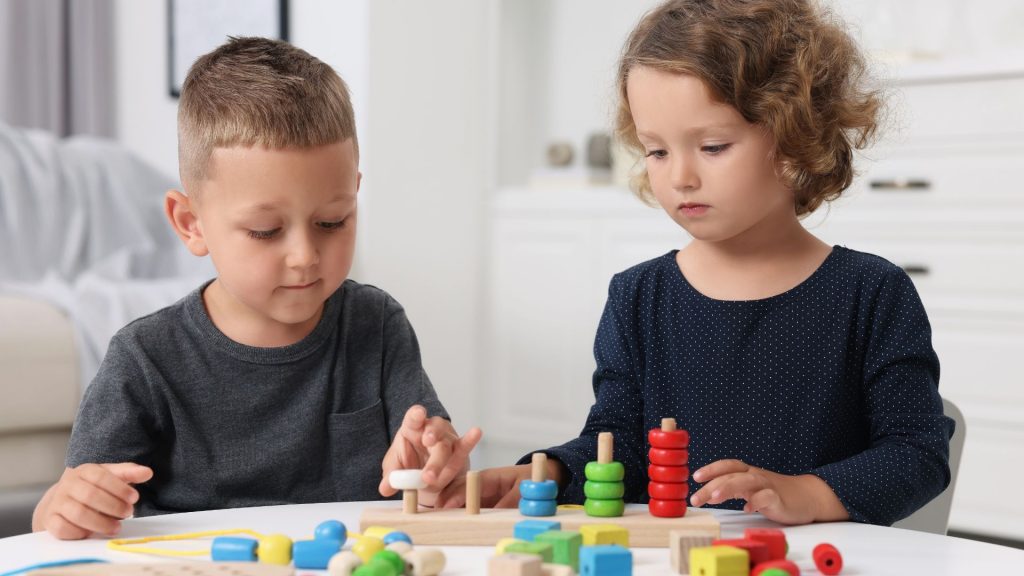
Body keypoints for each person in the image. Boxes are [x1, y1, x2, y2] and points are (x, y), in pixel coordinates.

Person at [439, 0, 953, 526]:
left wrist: (809, 493)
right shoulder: (638, 295)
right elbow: (619, 445)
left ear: (795, 134)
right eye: (656, 151)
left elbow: (917, 455)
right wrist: (547, 473)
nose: (679, 176)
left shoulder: (871, 293)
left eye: (711, 146)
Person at [32, 37, 480, 540]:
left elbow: (428, 453)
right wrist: (63, 506)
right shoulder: (145, 358)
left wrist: (436, 460)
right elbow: (73, 504)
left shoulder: (375, 323)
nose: (305, 255)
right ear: (190, 224)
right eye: (266, 232)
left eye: (332, 221)